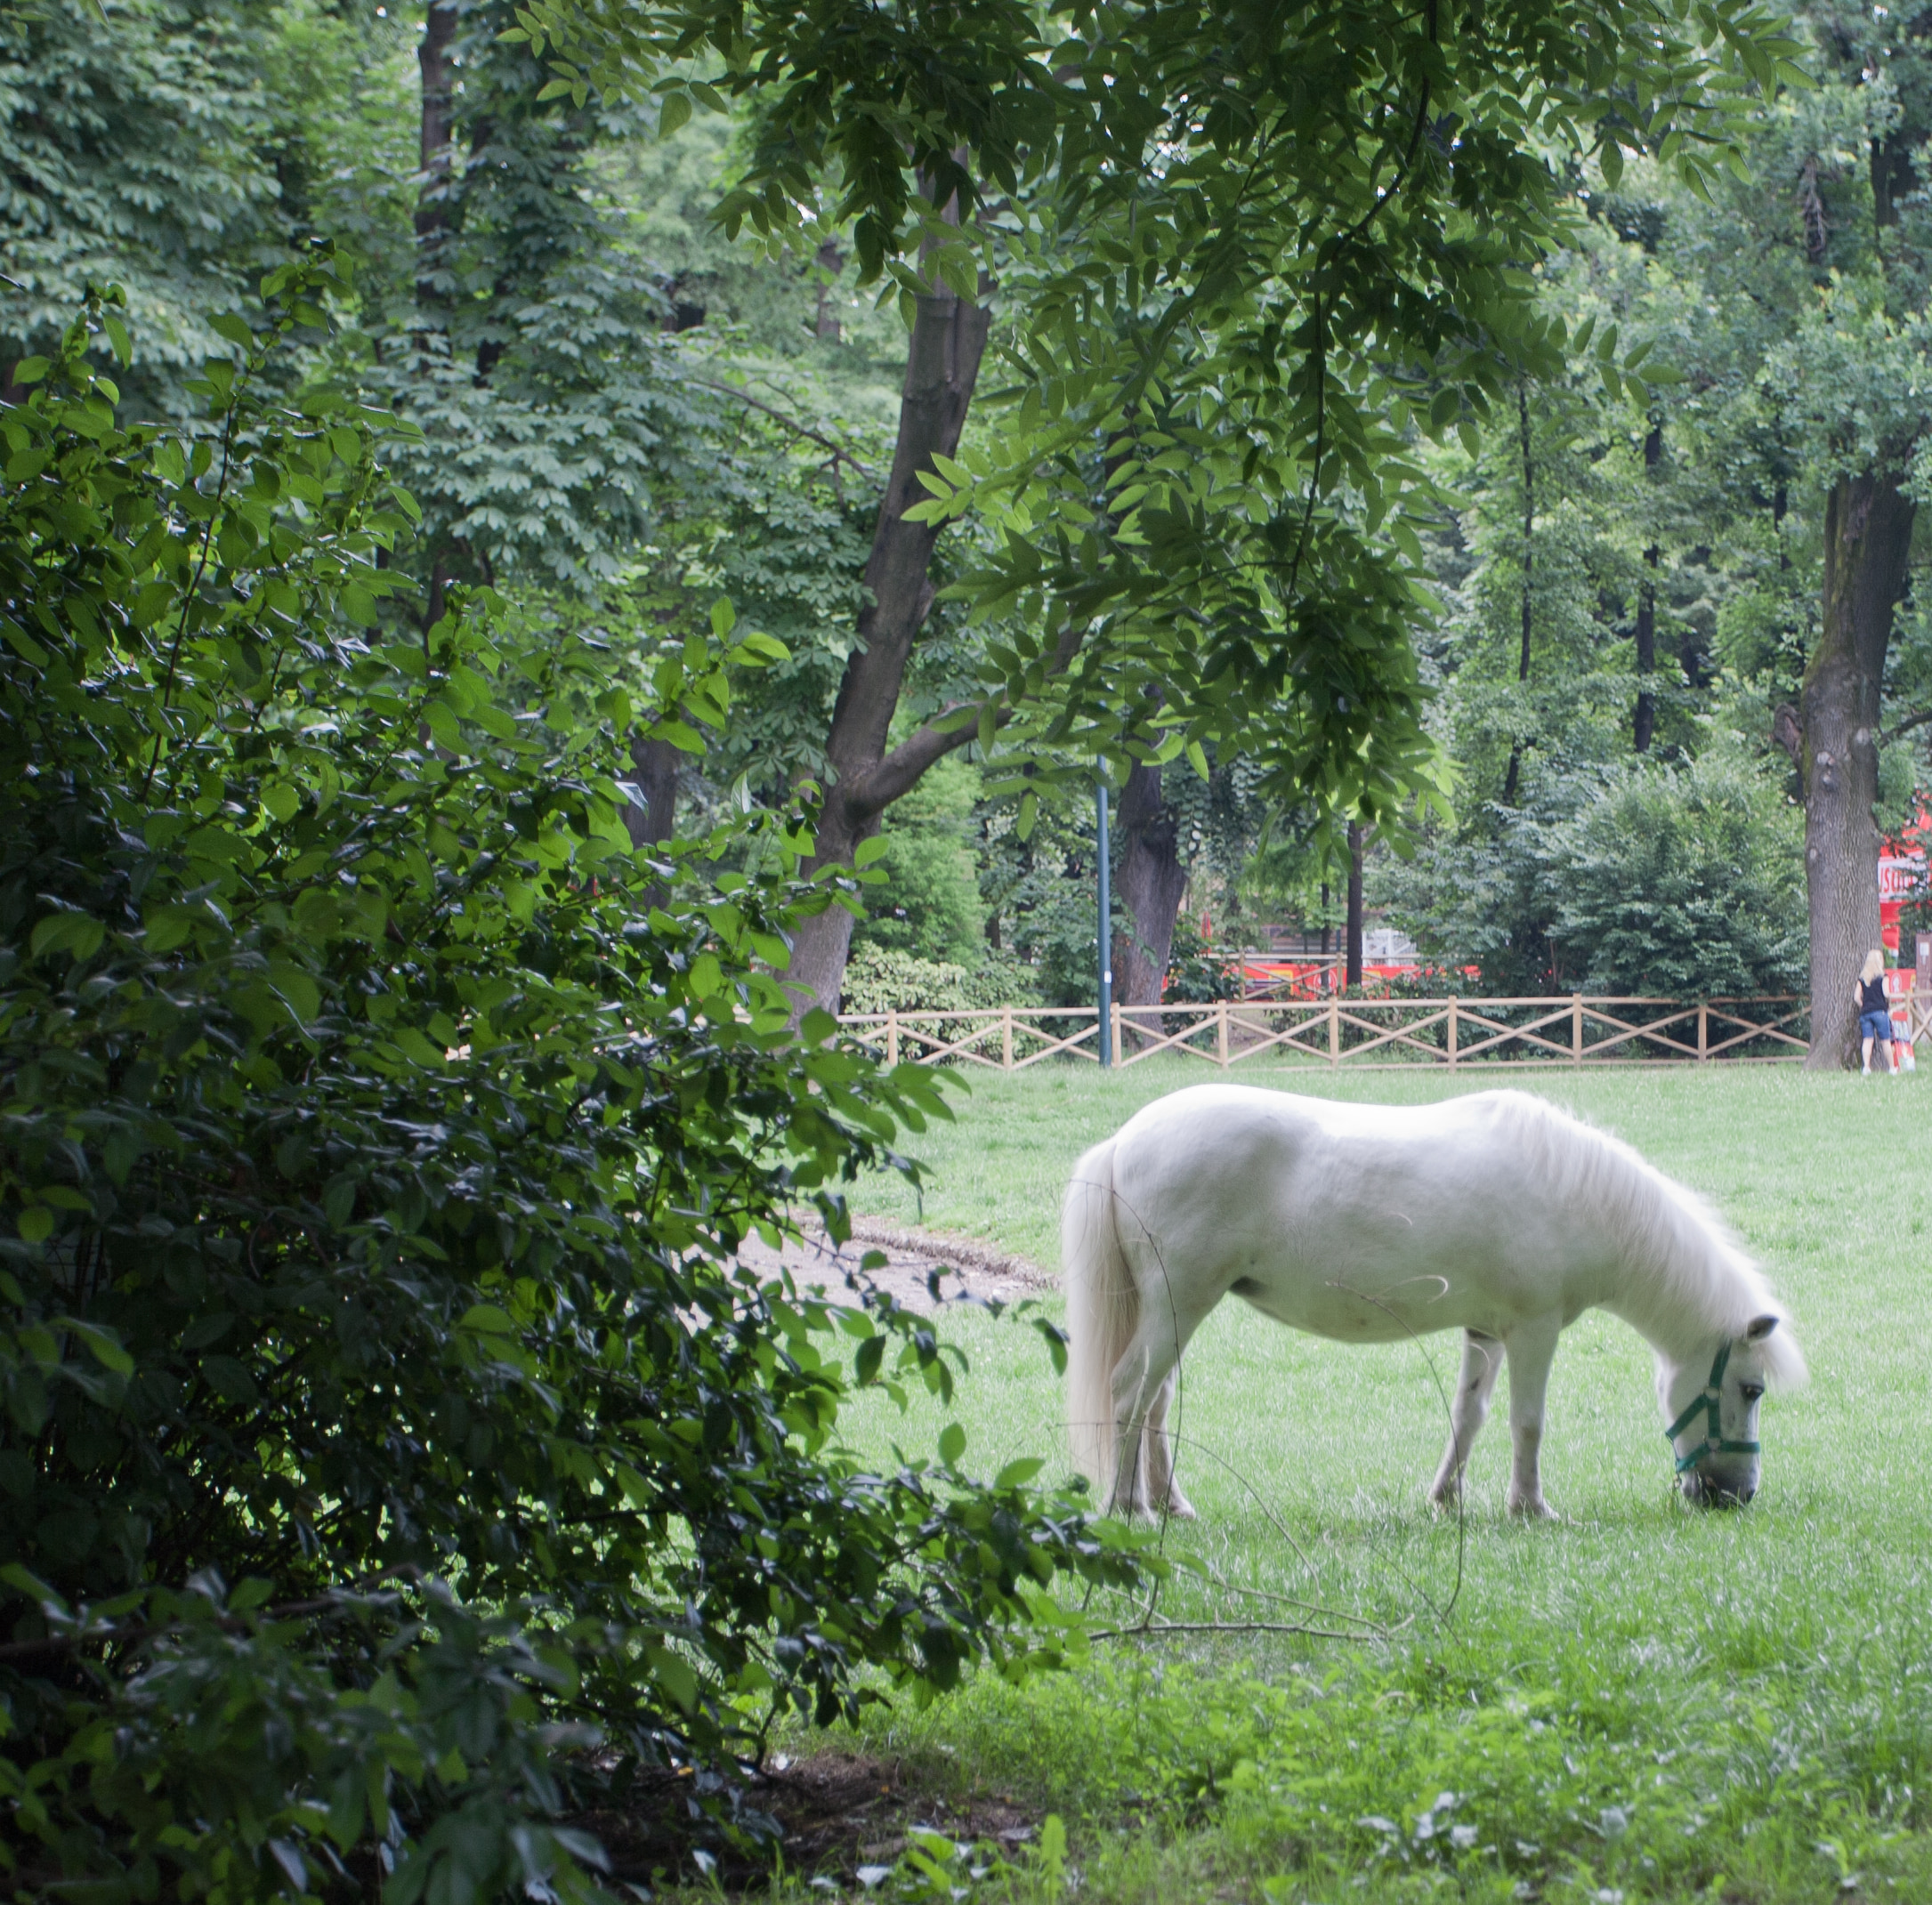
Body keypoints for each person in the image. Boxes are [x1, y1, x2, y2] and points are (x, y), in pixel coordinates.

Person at [1857, 949, 1896, 1076]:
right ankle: (1892, 1067)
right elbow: (1886, 993)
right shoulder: (1883, 977)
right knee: (1885, 1040)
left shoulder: (1862, 978)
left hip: (1866, 1013)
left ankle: (1866, 1067)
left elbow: (1856, 997)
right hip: (1880, 1011)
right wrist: (1889, 1001)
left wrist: (1864, 1005)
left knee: (1867, 1040)